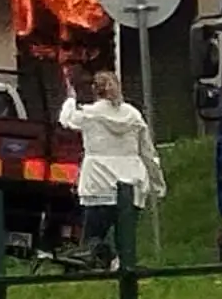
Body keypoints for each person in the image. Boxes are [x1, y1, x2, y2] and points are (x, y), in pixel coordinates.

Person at [58, 69, 167, 265]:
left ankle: (98, 266)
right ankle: (124, 270)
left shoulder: (88, 114)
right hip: (132, 184)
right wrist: (158, 184)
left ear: (94, 90)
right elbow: (148, 153)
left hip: (98, 184)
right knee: (126, 240)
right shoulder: (133, 115)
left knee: (92, 237)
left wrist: (70, 99)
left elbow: (66, 120)